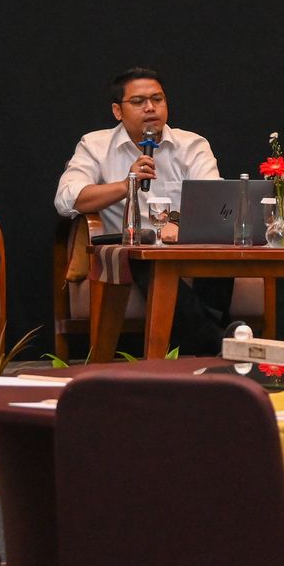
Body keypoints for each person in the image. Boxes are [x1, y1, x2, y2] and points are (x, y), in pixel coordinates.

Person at [54, 67, 233, 355]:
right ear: (117, 111)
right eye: (138, 101)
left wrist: (179, 223)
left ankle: (210, 344)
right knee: (144, 255)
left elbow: (214, 200)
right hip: (130, 248)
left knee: (223, 247)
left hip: (187, 246)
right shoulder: (95, 146)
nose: (150, 107)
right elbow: (67, 199)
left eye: (157, 99)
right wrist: (126, 185)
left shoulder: (192, 145)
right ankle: (220, 345)